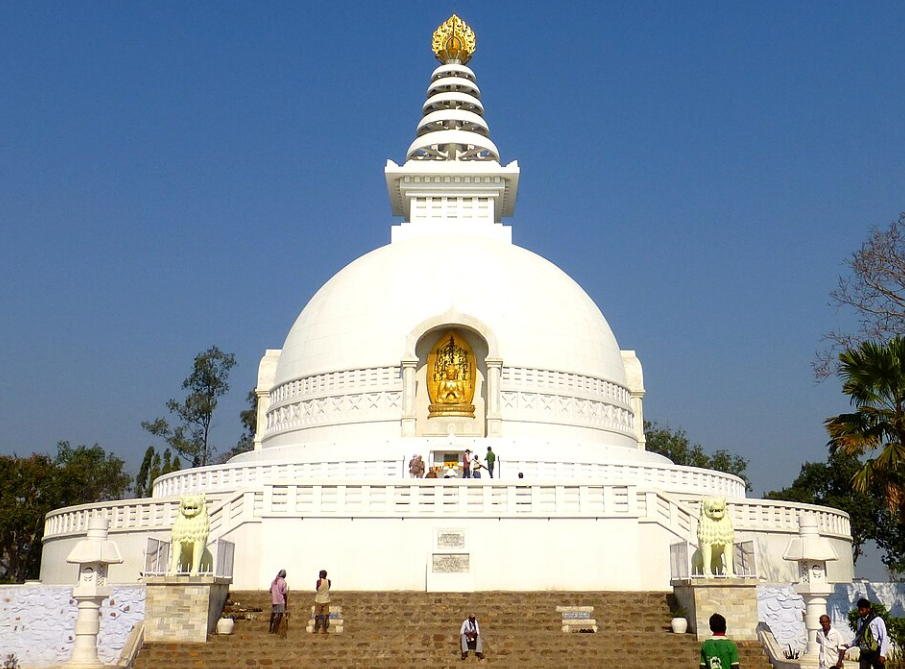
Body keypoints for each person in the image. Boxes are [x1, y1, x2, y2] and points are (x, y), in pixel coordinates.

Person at [851, 598, 888, 669]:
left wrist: (882, 654)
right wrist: (850, 644)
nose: (860, 612)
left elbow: (883, 637)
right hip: (864, 651)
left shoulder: (877, 620)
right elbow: (859, 636)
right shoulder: (859, 621)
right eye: (859, 610)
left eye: (862, 610)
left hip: (875, 651)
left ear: (868, 609)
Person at [269, 569, 288, 634]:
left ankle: (270, 628)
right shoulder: (283, 582)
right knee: (280, 615)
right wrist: (286, 604)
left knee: (273, 615)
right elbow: (284, 593)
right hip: (280, 600)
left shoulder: (273, 581)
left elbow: (270, 591)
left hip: (274, 600)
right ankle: (275, 629)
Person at [314, 569, 331, 634]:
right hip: (326, 599)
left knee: (317, 615)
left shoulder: (318, 581)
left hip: (318, 599)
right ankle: (324, 629)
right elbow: (328, 587)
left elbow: (317, 588)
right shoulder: (328, 581)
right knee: (325, 615)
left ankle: (316, 628)